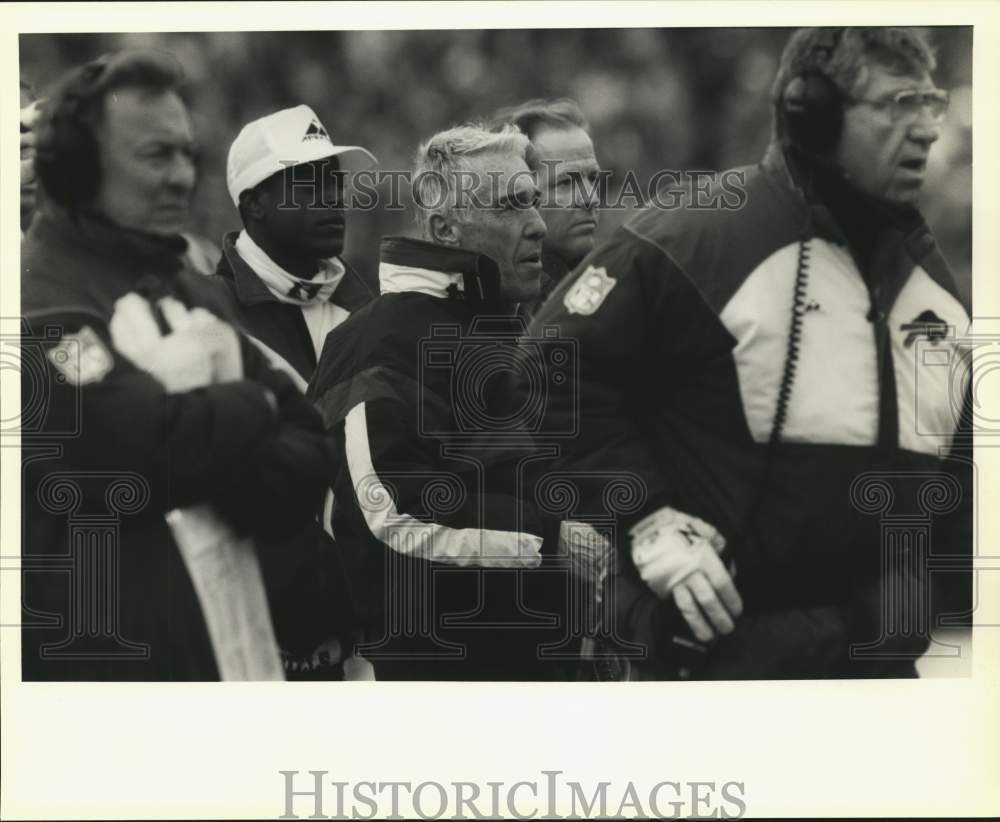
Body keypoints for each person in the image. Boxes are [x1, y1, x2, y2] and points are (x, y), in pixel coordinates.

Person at [531, 27, 971, 679]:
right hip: (720, 676)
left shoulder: (932, 284)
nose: (926, 130)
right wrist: (645, 519)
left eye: (929, 103)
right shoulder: (694, 236)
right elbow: (549, 367)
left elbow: (954, 481)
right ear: (809, 113)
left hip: (881, 681)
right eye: (896, 104)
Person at [21, 51, 336, 681]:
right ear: (79, 170)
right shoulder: (37, 306)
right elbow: (140, 447)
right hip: (111, 700)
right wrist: (252, 406)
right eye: (155, 156)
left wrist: (209, 446)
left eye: (186, 154)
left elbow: (308, 451)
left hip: (234, 671)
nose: (181, 177)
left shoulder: (191, 288)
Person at [308, 124, 610, 680]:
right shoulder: (378, 340)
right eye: (511, 206)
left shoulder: (512, 332)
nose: (539, 225)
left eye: (535, 202)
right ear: (446, 227)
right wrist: (553, 537)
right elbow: (391, 505)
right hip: (447, 694)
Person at [213, 105, 377, 384]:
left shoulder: (369, 314)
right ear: (254, 204)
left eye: (336, 183)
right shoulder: (211, 313)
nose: (334, 198)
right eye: (310, 185)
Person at [492, 99, 601, 317]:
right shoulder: (511, 308)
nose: (591, 199)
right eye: (565, 183)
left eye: (593, 178)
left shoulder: (594, 284)